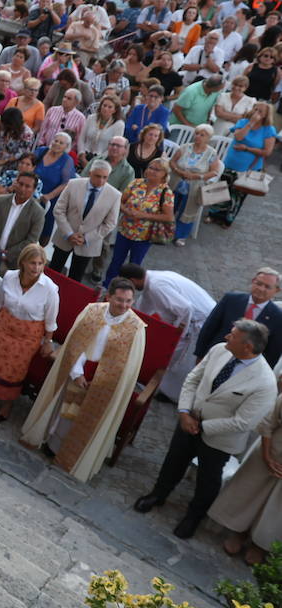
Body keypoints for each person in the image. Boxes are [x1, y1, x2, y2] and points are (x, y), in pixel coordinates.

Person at [135, 319, 278, 539]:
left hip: (219, 440)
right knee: (173, 462)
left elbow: (243, 422)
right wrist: (184, 411)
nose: (226, 337)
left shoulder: (264, 383)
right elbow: (193, 379)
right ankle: (158, 494)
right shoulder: (219, 350)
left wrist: (200, 427)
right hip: (188, 420)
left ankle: (193, 516)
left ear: (247, 347)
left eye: (233, 335)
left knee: (207, 480)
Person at [20, 278, 146, 482]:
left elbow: (130, 366)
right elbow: (75, 343)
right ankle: (53, 446)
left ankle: (74, 457)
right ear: (109, 297)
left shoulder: (137, 328)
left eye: (129, 301)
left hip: (105, 384)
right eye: (119, 300)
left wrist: (100, 381)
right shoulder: (92, 311)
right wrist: (77, 373)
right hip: (77, 372)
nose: (124, 306)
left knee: (84, 419)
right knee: (64, 416)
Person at [0, 244, 59, 422]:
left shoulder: (49, 289)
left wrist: (48, 341)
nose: (37, 268)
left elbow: (50, 319)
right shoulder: (9, 277)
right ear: (23, 262)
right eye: (33, 263)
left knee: (15, 369)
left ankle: (7, 402)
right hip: (4, 326)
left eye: (41, 263)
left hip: (28, 334)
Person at [117, 263, 216, 402]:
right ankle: (162, 387)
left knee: (178, 358)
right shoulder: (151, 280)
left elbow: (186, 309)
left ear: (133, 281)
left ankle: (171, 394)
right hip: (197, 317)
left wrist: (178, 334)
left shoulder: (157, 285)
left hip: (199, 322)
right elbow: (144, 306)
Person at [209, 381, 282, 564]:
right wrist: (267, 457)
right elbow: (268, 423)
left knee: (277, 507)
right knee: (249, 491)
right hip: (270, 449)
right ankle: (239, 531)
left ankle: (259, 544)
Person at [103, 158, 175, 287]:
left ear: (164, 174)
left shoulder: (166, 192)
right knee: (116, 261)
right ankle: (107, 286)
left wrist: (143, 215)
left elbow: (168, 217)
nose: (151, 171)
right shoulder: (136, 183)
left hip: (144, 236)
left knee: (134, 266)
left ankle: (126, 289)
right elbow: (120, 201)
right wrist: (126, 210)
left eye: (156, 169)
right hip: (125, 230)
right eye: (150, 167)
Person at [193, 268, 282, 367]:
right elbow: (209, 328)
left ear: (277, 290)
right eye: (259, 283)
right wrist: (200, 355)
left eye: (267, 287)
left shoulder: (278, 317)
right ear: (253, 281)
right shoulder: (231, 299)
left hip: (242, 369)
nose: (261, 289)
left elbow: (273, 352)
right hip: (213, 358)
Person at [207, 103, 276, 228]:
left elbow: (267, 151)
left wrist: (247, 149)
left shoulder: (269, 130)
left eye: (260, 111)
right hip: (231, 162)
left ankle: (227, 219)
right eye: (255, 109)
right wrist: (251, 124)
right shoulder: (243, 122)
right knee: (220, 188)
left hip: (249, 167)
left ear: (266, 115)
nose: (256, 112)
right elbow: (238, 136)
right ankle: (212, 215)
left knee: (237, 195)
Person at [169, 123, 224, 245]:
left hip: (195, 185)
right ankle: (165, 230)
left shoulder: (211, 153)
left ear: (208, 138)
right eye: (197, 133)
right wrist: (178, 171)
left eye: (202, 135)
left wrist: (197, 176)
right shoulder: (184, 147)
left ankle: (180, 235)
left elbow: (214, 172)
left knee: (189, 209)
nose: (198, 136)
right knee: (170, 206)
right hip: (177, 180)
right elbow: (172, 162)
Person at [0, 171, 46, 272]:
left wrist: (7, 255)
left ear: (33, 190)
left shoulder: (38, 212)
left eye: (27, 186)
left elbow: (31, 240)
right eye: (20, 184)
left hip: (12, 262)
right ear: (15, 184)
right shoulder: (0, 200)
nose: (22, 189)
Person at [33, 133, 78, 240]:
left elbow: (66, 183)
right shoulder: (41, 151)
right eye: (55, 140)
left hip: (49, 198)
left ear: (66, 147)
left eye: (61, 143)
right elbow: (28, 165)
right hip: (31, 193)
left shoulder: (67, 160)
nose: (57, 144)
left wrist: (50, 195)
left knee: (44, 232)